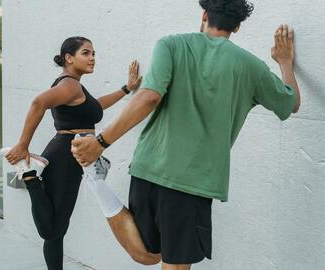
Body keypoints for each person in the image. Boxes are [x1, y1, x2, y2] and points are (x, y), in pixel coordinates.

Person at [71, 0, 301, 269]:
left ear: (204, 14)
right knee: (167, 262)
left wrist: (101, 143)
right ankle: (97, 181)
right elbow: (291, 103)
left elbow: (148, 96)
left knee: (145, 254)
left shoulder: (170, 45)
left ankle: (97, 181)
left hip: (149, 168)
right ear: (237, 27)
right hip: (191, 182)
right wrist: (285, 63)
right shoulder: (251, 66)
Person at [1, 36, 144, 270]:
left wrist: (126, 88)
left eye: (94, 53)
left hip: (68, 153)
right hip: (66, 155)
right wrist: (22, 145)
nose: (92, 58)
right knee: (53, 230)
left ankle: (30, 177)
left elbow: (96, 105)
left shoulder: (74, 86)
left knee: (57, 232)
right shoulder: (70, 84)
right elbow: (38, 102)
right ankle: (29, 177)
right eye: (86, 53)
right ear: (69, 58)